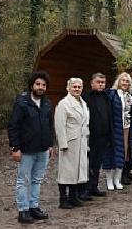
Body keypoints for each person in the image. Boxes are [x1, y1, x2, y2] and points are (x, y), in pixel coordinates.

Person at [8, 71, 53, 224]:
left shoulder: (47, 104)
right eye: (38, 84)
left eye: (43, 85)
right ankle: (23, 210)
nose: (41, 87)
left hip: (43, 149)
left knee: (37, 179)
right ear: (32, 85)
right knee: (23, 180)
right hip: (26, 150)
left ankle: (34, 207)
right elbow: (13, 126)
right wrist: (15, 148)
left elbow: (49, 125)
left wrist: (50, 144)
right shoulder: (22, 103)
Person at [54, 78, 90, 209]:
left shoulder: (83, 103)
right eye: (74, 86)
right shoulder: (63, 104)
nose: (77, 89)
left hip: (82, 141)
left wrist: (87, 140)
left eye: (79, 86)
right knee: (65, 171)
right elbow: (59, 125)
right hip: (69, 142)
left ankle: (73, 197)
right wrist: (62, 143)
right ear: (68, 88)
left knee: (77, 171)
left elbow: (86, 123)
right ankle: (63, 199)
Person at [103, 72, 132, 191]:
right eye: (123, 80)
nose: (125, 83)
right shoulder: (112, 94)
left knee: (123, 154)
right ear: (118, 82)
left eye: (127, 81)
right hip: (114, 129)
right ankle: (109, 180)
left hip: (126, 128)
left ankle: (117, 179)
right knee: (110, 153)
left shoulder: (130, 96)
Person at [82, 73, 113, 197]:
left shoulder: (106, 96)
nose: (101, 84)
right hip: (91, 136)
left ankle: (94, 186)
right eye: (98, 82)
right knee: (87, 163)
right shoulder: (86, 97)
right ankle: (85, 188)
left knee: (97, 162)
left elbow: (109, 114)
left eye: (103, 82)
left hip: (103, 135)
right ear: (92, 83)